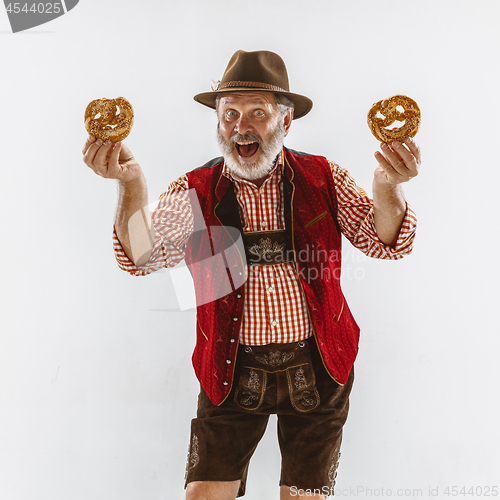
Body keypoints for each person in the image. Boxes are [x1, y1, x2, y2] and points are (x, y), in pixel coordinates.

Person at [82, 50, 420, 500]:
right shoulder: (196, 190)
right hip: (230, 371)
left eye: (258, 113)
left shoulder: (325, 178)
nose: (241, 126)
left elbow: (384, 242)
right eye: (230, 114)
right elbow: (139, 256)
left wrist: (387, 187)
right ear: (219, 123)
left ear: (286, 121)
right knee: (202, 494)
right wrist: (131, 185)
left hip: (319, 369)